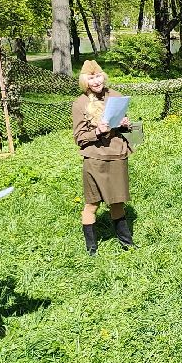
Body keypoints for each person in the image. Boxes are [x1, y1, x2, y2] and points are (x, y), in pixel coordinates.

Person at [72, 60, 135, 253]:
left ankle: (126, 243)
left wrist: (126, 124)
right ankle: (91, 249)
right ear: (85, 81)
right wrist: (97, 132)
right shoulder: (80, 103)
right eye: (91, 78)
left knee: (117, 202)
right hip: (95, 159)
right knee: (92, 204)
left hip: (117, 154)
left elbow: (130, 131)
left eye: (98, 76)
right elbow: (79, 138)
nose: (96, 81)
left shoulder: (115, 96)